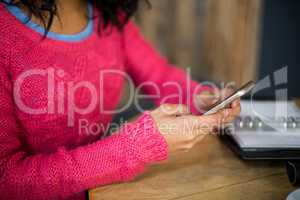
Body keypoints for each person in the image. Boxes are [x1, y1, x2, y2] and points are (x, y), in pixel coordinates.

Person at [0, 0, 241, 199]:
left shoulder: (107, 13)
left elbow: (159, 75)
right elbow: (6, 179)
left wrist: (201, 98)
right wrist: (137, 145)